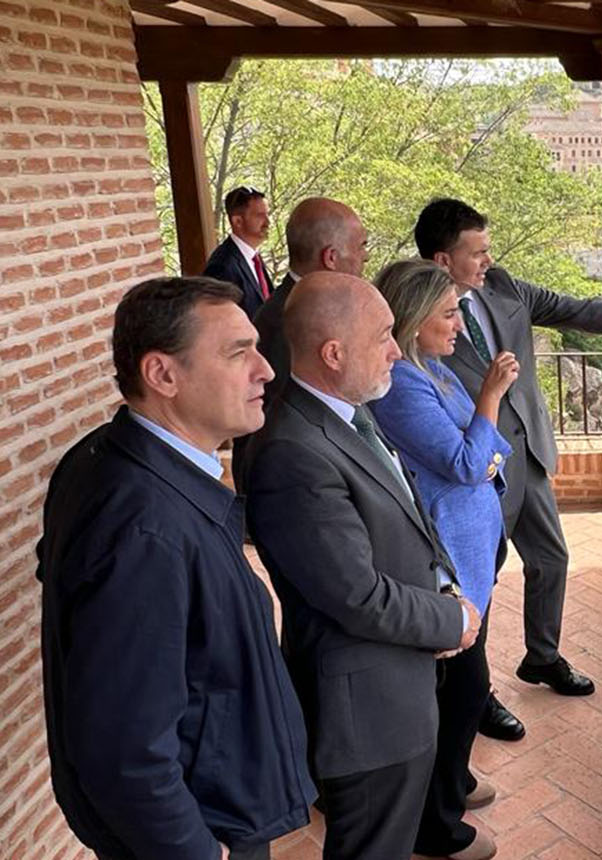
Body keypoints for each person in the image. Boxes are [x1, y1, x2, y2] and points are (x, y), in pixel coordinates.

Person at [414, 198, 602, 738]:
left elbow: (584, 310)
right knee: (474, 583)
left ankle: (542, 655)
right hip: (473, 472)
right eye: (477, 252)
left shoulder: (504, 287)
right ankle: (475, 692)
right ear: (442, 260)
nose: (488, 259)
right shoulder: (415, 318)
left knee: (551, 557)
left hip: (526, 454)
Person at [37, 277, 314, 860]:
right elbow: (124, 753)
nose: (265, 370)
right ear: (163, 375)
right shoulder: (145, 528)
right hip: (199, 832)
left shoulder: (108, 457)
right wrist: (194, 850)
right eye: (239, 353)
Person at [244, 272, 490, 860]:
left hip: (395, 689)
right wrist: (449, 620)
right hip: (365, 716)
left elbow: (406, 519)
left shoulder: (348, 409)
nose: (397, 350)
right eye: (383, 335)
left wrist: (445, 584)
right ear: (334, 353)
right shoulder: (294, 453)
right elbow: (354, 594)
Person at [369, 259, 517, 852]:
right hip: (449, 558)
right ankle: (436, 821)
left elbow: (492, 454)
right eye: (449, 313)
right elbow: (463, 463)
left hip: (473, 550)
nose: (460, 325)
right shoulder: (405, 384)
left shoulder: (434, 369)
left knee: (463, 684)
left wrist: (480, 449)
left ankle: (452, 783)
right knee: (460, 688)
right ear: (414, 319)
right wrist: (490, 399)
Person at [233, 197, 369, 493]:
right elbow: (296, 421)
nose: (366, 257)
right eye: (361, 246)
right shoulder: (289, 321)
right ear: (331, 258)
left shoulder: (313, 307)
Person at [203, 186, 274, 318]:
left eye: (267, 214)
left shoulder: (252, 257)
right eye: (260, 215)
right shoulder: (222, 266)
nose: (268, 222)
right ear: (237, 221)